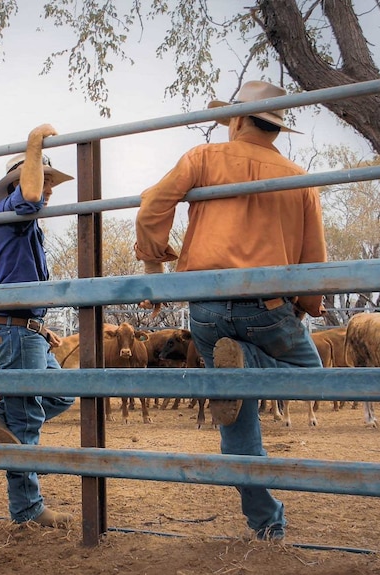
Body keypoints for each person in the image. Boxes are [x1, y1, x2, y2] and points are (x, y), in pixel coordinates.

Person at [133, 80, 327, 541]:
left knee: (237, 416)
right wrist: (306, 306)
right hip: (268, 308)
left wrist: (154, 264)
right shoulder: (301, 179)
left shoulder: (203, 159)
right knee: (313, 375)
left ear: (237, 119)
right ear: (277, 130)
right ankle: (253, 363)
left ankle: (264, 519)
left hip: (207, 309)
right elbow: (312, 258)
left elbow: (151, 206)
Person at [0, 123, 76, 528]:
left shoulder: (20, 227)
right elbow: (29, 195)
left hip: (23, 328)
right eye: (44, 179)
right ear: (21, 180)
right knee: (27, 418)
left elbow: (15, 282)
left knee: (60, 395)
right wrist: (35, 144)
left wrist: (40, 327)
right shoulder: (13, 212)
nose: (48, 189)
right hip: (13, 330)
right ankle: (28, 511)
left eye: (50, 182)